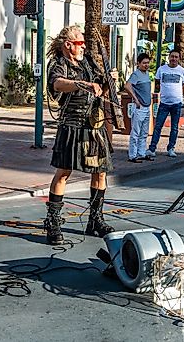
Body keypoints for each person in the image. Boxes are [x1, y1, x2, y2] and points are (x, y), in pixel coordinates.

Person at [44, 25, 117, 245]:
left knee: (101, 172)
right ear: (68, 45)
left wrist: (107, 82)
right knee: (63, 173)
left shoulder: (87, 62)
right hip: (72, 125)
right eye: (79, 43)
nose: (83, 46)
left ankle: (95, 219)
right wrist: (80, 84)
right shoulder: (59, 64)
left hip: (94, 125)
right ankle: (53, 221)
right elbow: (57, 84)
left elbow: (99, 90)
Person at [147, 50, 184, 159]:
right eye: (172, 57)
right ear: (168, 57)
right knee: (158, 126)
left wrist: (178, 95)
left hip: (177, 104)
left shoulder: (182, 71)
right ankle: (152, 149)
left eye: (176, 57)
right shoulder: (161, 69)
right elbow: (157, 83)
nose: (174, 59)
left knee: (174, 128)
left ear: (179, 59)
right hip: (164, 103)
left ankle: (171, 148)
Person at [124, 53, 152, 163]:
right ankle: (132, 155)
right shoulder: (136, 75)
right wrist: (135, 99)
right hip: (139, 107)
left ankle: (142, 153)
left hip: (147, 107)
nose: (146, 65)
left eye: (147, 63)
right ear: (138, 64)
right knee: (135, 132)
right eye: (144, 63)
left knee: (144, 132)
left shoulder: (147, 74)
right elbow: (127, 86)